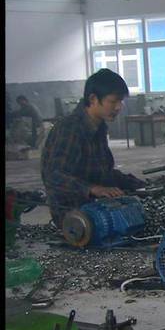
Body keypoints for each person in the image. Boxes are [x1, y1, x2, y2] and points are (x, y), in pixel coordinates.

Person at [41, 69, 146, 228]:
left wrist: (139, 185)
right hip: (73, 214)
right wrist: (93, 189)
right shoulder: (70, 128)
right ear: (93, 99)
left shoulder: (98, 127)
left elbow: (103, 172)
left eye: (121, 101)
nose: (119, 107)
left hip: (94, 203)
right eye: (113, 101)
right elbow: (54, 176)